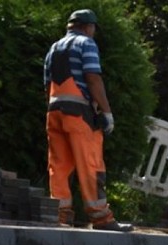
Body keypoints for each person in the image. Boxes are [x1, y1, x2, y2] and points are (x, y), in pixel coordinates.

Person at [43, 8, 131, 232]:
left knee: (59, 166)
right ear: (88, 26)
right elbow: (93, 78)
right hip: (78, 113)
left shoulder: (53, 48)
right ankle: (101, 218)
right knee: (91, 165)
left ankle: (61, 216)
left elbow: (47, 85)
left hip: (54, 112)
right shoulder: (86, 44)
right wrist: (106, 111)